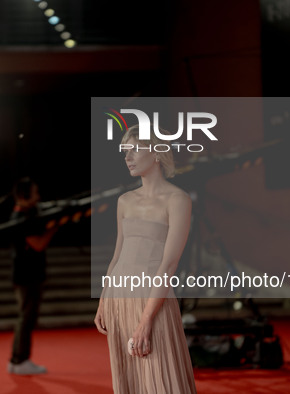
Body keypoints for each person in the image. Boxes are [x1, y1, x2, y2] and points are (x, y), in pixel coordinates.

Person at [94, 125, 197, 393]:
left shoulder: (178, 200)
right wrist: (104, 298)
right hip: (119, 297)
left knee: (162, 378)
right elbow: (118, 253)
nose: (128, 157)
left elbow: (169, 264)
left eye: (135, 150)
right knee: (131, 379)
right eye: (125, 152)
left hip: (153, 299)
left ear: (157, 153)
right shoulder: (124, 201)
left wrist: (146, 319)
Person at [7, 177, 57, 375]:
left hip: (28, 274)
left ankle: (17, 359)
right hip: (26, 275)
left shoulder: (24, 216)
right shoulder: (20, 219)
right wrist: (53, 228)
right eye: (35, 193)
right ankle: (20, 359)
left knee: (26, 317)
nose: (38, 197)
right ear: (24, 195)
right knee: (26, 318)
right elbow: (37, 244)